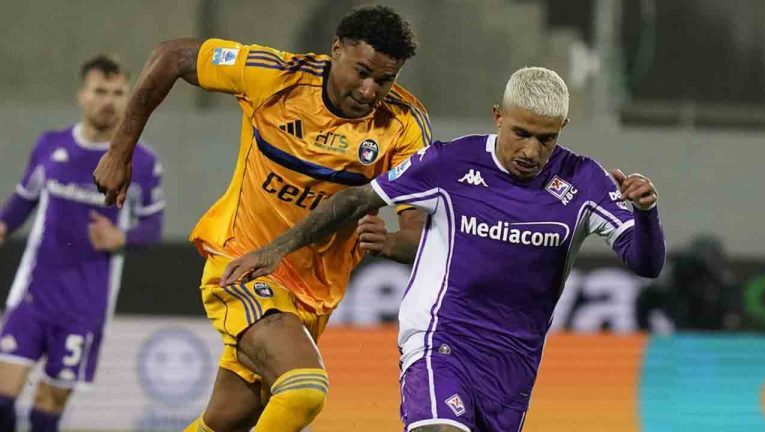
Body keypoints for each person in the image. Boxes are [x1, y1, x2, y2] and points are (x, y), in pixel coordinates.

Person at [223, 66, 666, 432]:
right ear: (497, 116)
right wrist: (276, 249)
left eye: (545, 139)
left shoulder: (583, 181)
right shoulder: (450, 162)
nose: (531, 150)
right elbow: (358, 198)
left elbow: (645, 263)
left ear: (562, 130)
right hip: (440, 340)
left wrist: (645, 212)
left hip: (513, 366)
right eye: (521, 133)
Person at [92, 5, 430, 432]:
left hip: (311, 299)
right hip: (241, 265)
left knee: (223, 423)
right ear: (336, 49)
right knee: (305, 389)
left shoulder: (404, 126)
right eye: (361, 72)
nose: (368, 91)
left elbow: (418, 235)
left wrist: (394, 242)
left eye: (385, 80)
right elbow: (171, 56)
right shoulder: (274, 76)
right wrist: (120, 152)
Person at [0, 55, 164, 432]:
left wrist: (121, 237)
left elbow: (153, 226)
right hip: (33, 295)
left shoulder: (142, 161)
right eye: (100, 91)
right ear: (83, 96)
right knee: (3, 396)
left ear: (128, 98)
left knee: (47, 406)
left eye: (118, 92)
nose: (109, 100)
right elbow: (24, 198)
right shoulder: (50, 146)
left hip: (85, 306)